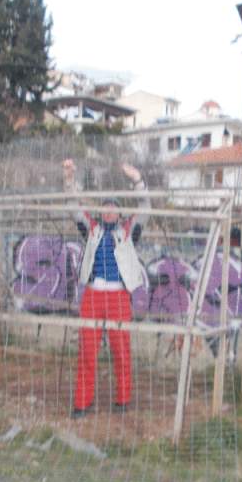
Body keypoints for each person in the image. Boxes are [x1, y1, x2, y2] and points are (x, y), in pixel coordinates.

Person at [63, 158, 149, 417]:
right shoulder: (92, 229)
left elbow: (145, 207)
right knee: (87, 350)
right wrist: (69, 179)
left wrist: (137, 180)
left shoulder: (128, 230)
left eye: (113, 208)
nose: (109, 212)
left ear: (120, 213)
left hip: (119, 296)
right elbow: (74, 208)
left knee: (121, 349)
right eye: (105, 208)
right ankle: (82, 402)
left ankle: (123, 399)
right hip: (92, 294)